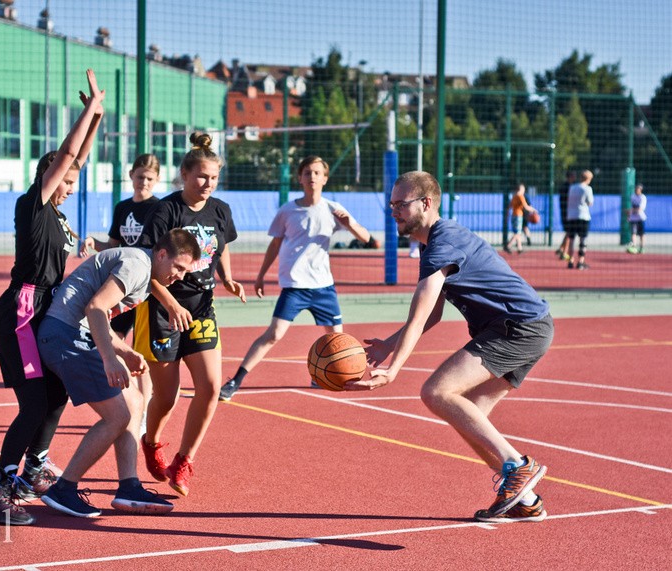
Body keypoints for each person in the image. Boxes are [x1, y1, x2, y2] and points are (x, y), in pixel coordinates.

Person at [346, 171, 553, 523]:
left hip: (518, 327)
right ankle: (526, 498)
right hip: (524, 326)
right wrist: (389, 345)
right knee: (469, 411)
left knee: (436, 391)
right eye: (391, 204)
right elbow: (434, 314)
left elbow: (422, 308)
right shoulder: (432, 244)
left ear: (426, 203)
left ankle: (518, 466)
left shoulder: (442, 241)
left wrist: (394, 368)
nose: (393, 211)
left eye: (401, 204)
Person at [0, 69, 104, 525]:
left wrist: (98, 121)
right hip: (21, 312)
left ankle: (33, 469)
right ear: (48, 177)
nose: (70, 186)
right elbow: (69, 154)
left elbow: (79, 159)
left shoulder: (58, 216)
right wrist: (87, 110)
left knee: (55, 396)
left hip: (44, 311)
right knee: (34, 403)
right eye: (64, 180)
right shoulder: (33, 206)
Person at [37, 230, 201, 517]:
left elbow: (95, 317)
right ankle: (64, 488)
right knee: (118, 415)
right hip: (64, 336)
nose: (180, 276)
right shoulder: (138, 264)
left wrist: (124, 352)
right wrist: (109, 358)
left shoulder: (144, 270)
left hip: (74, 333)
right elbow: (95, 308)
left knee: (135, 402)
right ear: (161, 254)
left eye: (186, 271)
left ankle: (128, 486)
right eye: (178, 267)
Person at [136, 132, 247, 497]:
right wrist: (170, 303)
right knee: (166, 396)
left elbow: (222, 245)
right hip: (162, 309)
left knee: (211, 387)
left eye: (213, 178)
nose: (208, 184)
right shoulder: (165, 211)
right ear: (183, 174)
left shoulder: (220, 210)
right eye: (201, 176)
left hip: (201, 308)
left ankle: (184, 460)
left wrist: (227, 278)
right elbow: (144, 269)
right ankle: (151, 442)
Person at [219, 156, 376, 401]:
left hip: (324, 286)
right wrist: (260, 276)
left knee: (338, 341)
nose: (312, 177)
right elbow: (275, 244)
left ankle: (324, 375)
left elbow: (366, 238)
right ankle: (236, 381)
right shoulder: (288, 210)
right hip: (295, 286)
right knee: (274, 334)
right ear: (300, 178)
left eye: (316, 173)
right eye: (307, 173)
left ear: (325, 178)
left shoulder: (333, 209)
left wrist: (349, 225)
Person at [80, 154, 162, 430]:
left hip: (144, 286)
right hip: (121, 286)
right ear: (131, 175)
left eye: (150, 178)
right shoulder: (123, 207)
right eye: (140, 177)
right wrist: (95, 242)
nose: (144, 182)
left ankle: (145, 412)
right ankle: (128, 401)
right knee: (114, 341)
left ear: (157, 180)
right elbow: (114, 244)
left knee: (142, 351)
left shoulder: (158, 209)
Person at [566, 169, 594, 270]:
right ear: (589, 179)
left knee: (571, 239)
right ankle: (580, 261)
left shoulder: (572, 187)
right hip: (583, 216)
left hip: (571, 216)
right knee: (583, 240)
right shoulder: (587, 189)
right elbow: (590, 202)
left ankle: (570, 260)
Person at [504, 183, 536, 254]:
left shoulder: (514, 196)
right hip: (518, 216)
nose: (524, 190)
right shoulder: (521, 196)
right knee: (517, 233)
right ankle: (508, 245)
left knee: (517, 232)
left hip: (513, 216)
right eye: (523, 189)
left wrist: (507, 217)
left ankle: (519, 248)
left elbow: (509, 207)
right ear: (521, 189)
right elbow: (526, 207)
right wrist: (533, 210)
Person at [555, 171, 576, 260]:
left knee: (568, 231)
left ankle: (561, 248)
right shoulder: (568, 187)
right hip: (567, 212)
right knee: (569, 232)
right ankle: (564, 252)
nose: (575, 178)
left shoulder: (566, 186)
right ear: (569, 177)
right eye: (573, 176)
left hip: (566, 211)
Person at [626, 184, 647, 254]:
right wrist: (629, 215)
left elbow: (640, 209)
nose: (637, 190)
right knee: (633, 233)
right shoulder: (633, 196)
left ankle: (642, 247)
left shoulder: (643, 197)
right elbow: (632, 207)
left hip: (641, 218)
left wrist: (631, 210)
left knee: (642, 234)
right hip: (633, 219)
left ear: (641, 190)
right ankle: (634, 247)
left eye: (638, 189)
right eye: (636, 189)